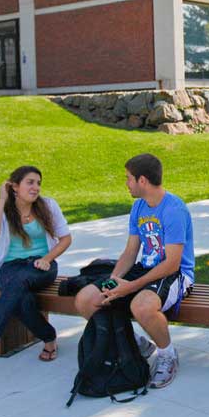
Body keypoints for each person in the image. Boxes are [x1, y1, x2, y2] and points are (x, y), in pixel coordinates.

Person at [73, 154, 195, 389]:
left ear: (142, 180)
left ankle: (167, 355)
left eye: (128, 179)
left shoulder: (174, 210)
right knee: (86, 299)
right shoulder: (139, 206)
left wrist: (130, 287)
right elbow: (131, 251)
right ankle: (133, 343)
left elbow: (172, 263)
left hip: (176, 274)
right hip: (145, 268)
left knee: (141, 306)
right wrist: (113, 281)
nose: (126, 183)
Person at [0, 166, 72, 377]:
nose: (36, 187)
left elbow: (66, 239)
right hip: (11, 267)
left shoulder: (48, 206)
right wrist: (1, 200)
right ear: (15, 186)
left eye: (38, 183)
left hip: (42, 266)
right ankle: (49, 337)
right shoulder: (3, 209)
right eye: (30, 182)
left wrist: (47, 259)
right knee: (20, 298)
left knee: (17, 285)